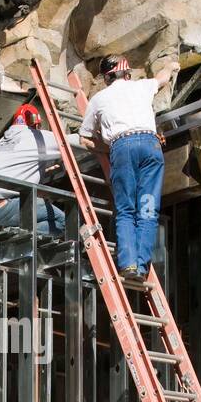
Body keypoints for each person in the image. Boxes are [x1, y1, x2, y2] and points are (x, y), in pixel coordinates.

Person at [79, 56, 180, 276]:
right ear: (127, 73)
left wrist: (109, 147)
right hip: (151, 146)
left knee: (125, 210)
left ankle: (128, 264)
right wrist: (171, 65)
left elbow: (84, 139)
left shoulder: (99, 99)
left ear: (107, 77)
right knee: (147, 209)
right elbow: (162, 78)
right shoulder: (142, 86)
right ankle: (142, 266)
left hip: (122, 146)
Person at [0, 103, 66, 234]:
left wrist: (41, 172)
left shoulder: (2, 142)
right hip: (1, 207)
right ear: (36, 124)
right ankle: (18, 238)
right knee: (63, 221)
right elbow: (73, 142)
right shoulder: (36, 136)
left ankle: (16, 235)